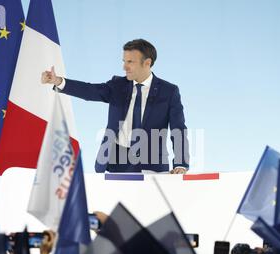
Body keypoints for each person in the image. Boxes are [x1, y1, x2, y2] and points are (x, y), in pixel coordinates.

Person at [42, 39, 189, 174]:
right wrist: (58, 81)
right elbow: (90, 91)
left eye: (130, 62)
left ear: (147, 63)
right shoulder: (118, 85)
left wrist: (181, 164)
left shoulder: (169, 91)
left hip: (152, 166)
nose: (124, 67)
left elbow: (178, 129)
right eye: (124, 61)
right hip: (116, 162)